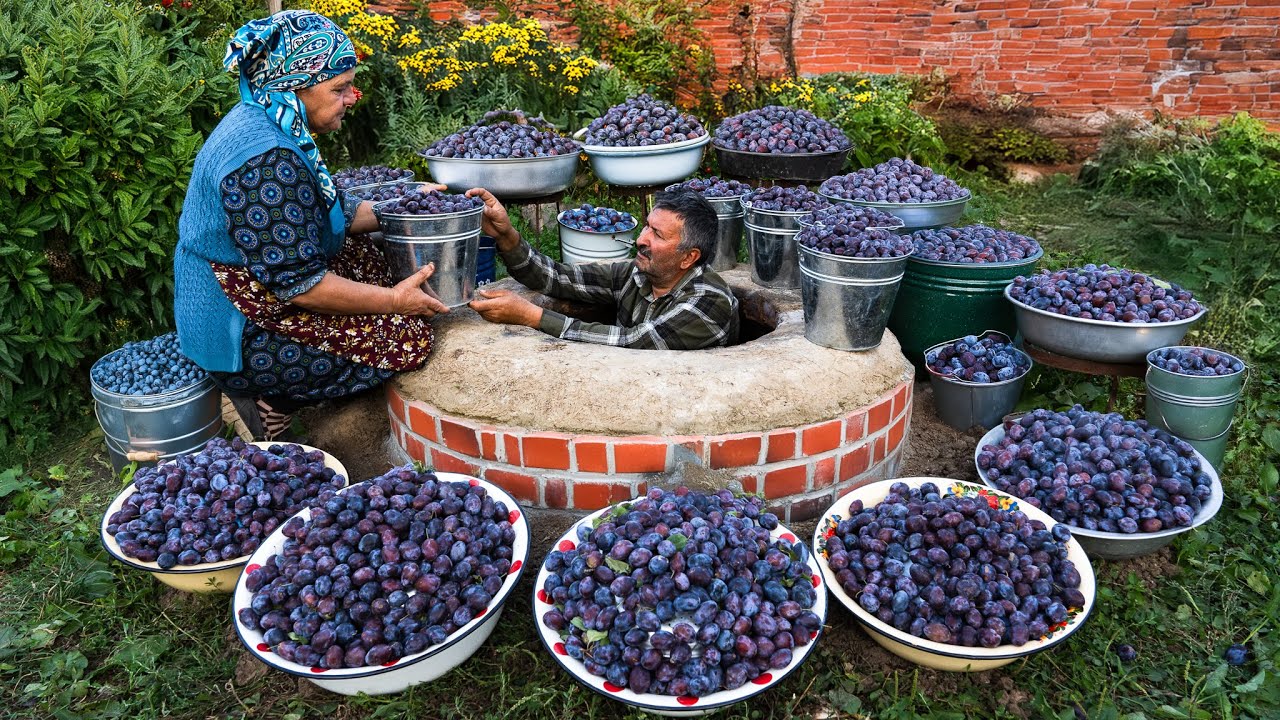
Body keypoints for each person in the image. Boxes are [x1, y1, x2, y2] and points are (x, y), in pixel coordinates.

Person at [174, 10, 448, 440]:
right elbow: (302, 286)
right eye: (339, 88)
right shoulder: (265, 162)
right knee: (408, 336)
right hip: (237, 330)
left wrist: (408, 206)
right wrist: (395, 301)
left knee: (366, 256)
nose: (352, 98)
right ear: (293, 85)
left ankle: (282, 392)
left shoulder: (272, 119)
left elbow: (329, 212)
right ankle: (274, 394)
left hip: (253, 284)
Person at [466, 189, 740, 350]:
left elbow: (634, 341)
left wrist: (533, 317)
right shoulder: (638, 275)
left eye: (657, 234)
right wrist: (506, 235)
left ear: (688, 257)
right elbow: (558, 278)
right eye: (647, 225)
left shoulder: (709, 301)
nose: (640, 239)